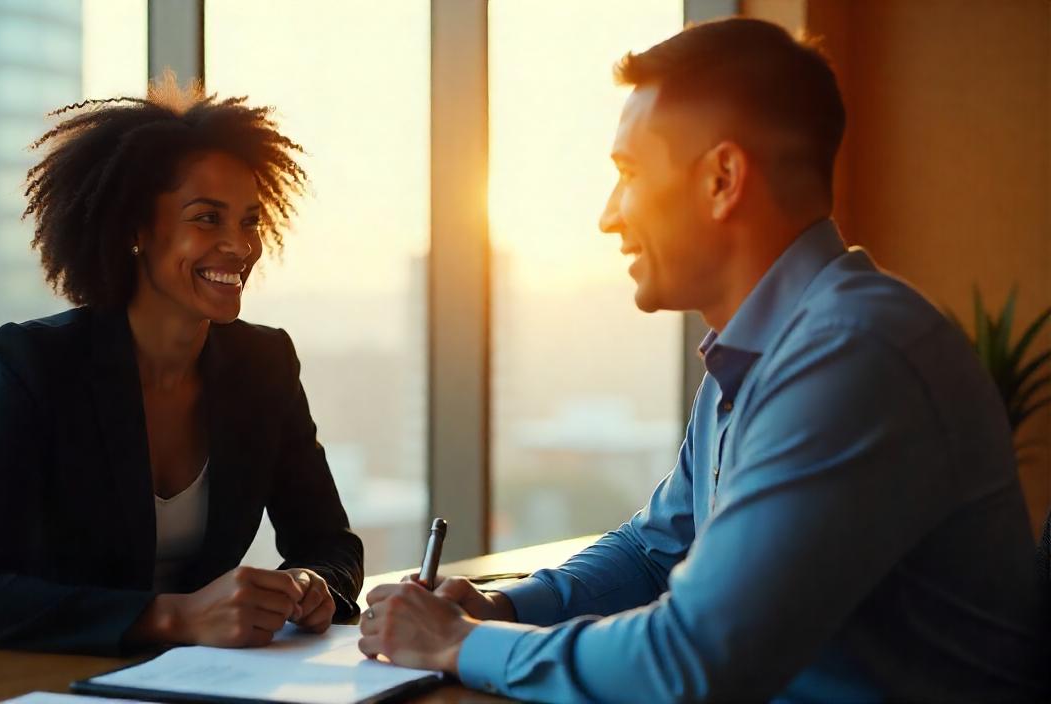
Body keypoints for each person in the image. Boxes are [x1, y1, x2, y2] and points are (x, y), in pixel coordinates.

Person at [358, 17, 1049, 702]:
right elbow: (655, 548)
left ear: (722, 179)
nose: (608, 215)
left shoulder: (853, 352)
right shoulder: (762, 353)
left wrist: (458, 643)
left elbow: (689, 661)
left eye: (627, 172)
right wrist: (502, 609)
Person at [0, 80, 364, 655]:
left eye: (249, 221)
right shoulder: (40, 366)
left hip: (209, 682)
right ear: (135, 230)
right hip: (59, 683)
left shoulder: (263, 365)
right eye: (207, 219)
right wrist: (176, 618)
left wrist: (312, 584)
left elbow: (331, 546)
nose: (239, 247)